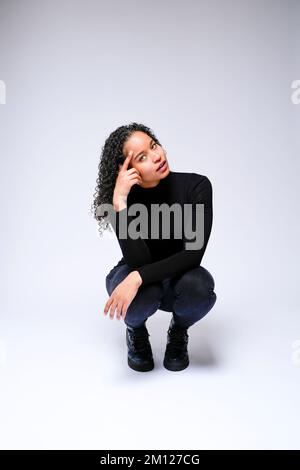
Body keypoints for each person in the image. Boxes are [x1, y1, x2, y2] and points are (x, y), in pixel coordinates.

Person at [91, 122, 217, 372]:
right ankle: (136, 333)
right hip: (138, 274)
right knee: (140, 296)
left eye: (154, 145)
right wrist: (119, 202)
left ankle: (178, 332)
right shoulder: (125, 202)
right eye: (143, 157)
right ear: (128, 169)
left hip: (178, 275)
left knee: (201, 288)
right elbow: (138, 262)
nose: (157, 156)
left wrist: (138, 277)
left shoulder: (196, 187)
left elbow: (193, 254)